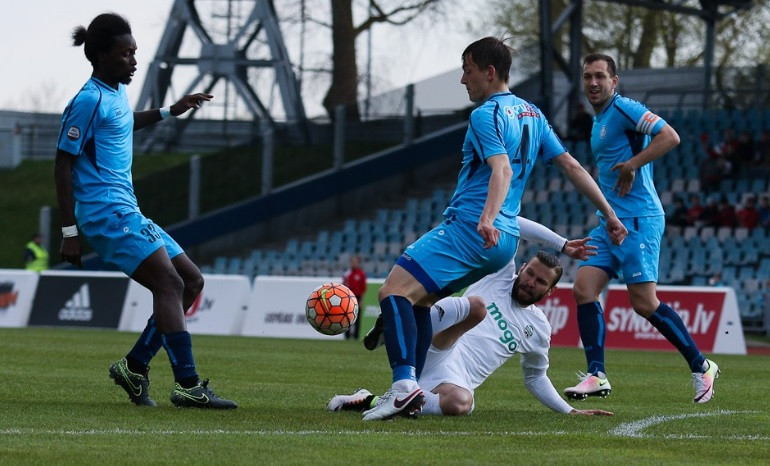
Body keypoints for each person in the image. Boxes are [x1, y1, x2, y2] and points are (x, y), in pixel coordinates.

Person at [359, 37, 626, 421]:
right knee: (420, 300)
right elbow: (572, 166)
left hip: (471, 228)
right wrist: (609, 214)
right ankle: (411, 388)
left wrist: (486, 216)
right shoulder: (533, 115)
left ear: (489, 72)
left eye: (467, 70)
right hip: (503, 244)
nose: (463, 80)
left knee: (392, 291)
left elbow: (501, 168)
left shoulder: (485, 115)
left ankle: (402, 387)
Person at [54, 13, 236, 409]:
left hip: (128, 210)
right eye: (126, 54)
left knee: (191, 282)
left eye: (135, 53)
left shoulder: (115, 93)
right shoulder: (88, 100)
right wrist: (69, 232)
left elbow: (121, 123)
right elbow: (62, 164)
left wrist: (170, 110)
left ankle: (134, 367)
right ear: (102, 56)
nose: (134, 61)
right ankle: (187, 384)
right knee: (168, 285)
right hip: (105, 213)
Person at [566, 53, 719, 404]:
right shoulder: (600, 118)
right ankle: (596, 375)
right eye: (587, 76)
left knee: (645, 304)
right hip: (610, 221)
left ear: (614, 81)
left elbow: (670, 136)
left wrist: (632, 165)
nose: (593, 83)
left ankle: (702, 366)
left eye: (600, 77)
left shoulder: (624, 109)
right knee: (584, 288)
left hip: (638, 220)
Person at [329, 250, 614, 418]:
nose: (530, 282)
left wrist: (569, 411)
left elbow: (535, 377)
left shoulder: (539, 329)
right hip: (438, 340)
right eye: (530, 273)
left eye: (540, 282)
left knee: (462, 404)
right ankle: (406, 321)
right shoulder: (500, 273)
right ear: (523, 267)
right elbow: (511, 222)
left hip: (452, 377)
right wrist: (561, 244)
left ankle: (369, 399)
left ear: (550, 292)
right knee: (477, 308)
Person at [342, 254, 367, 340]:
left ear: (358, 263)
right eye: (352, 262)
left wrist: (361, 300)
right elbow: (343, 285)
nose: (353, 264)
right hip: (348, 297)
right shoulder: (347, 273)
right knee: (346, 317)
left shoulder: (361, 274)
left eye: (355, 262)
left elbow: (363, 288)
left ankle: (356, 336)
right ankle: (347, 336)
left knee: (357, 318)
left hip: (357, 297)